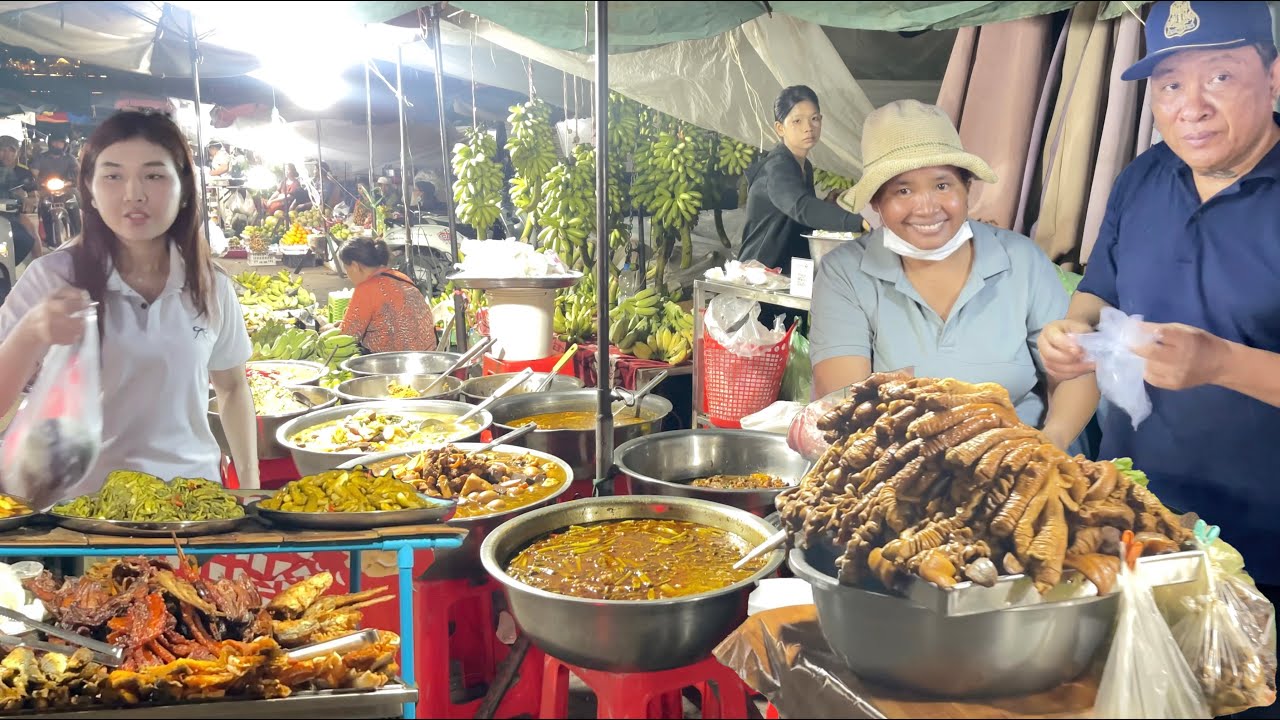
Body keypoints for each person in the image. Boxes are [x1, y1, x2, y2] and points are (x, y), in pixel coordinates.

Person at [1038, 1, 1280, 609]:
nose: (1191, 106)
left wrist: (1223, 363)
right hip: (1133, 524)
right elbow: (1101, 293)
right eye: (1170, 84)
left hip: (1266, 548)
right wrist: (1072, 330)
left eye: (1219, 76)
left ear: (1274, 76)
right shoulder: (1142, 178)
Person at [0, 110, 260, 497]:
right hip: (81, 510)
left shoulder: (210, 283)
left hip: (191, 504)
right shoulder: (52, 277)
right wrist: (31, 332)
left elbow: (233, 387)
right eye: (113, 176)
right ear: (89, 190)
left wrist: (250, 486)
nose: (133, 194)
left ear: (184, 189)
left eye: (154, 176)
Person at [812, 100, 1095, 447]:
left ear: (967, 187)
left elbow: (1074, 373)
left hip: (1021, 458)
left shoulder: (1021, 260)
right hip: (899, 463)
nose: (927, 207)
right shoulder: (844, 273)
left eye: (942, 185)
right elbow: (848, 405)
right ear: (876, 202)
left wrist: (1049, 444)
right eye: (903, 190)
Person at [740, 85, 865, 275]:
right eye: (797, 121)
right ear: (780, 128)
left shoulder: (803, 166)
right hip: (760, 274)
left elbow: (796, 216)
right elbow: (801, 207)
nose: (808, 128)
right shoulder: (777, 167)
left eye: (814, 119)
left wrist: (825, 204)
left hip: (787, 271)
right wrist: (861, 221)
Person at [337, 237, 437, 353]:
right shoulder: (401, 277)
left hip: (394, 362)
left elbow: (346, 338)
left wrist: (328, 330)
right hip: (428, 357)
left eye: (346, 269)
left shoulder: (366, 289)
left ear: (355, 266)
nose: (348, 276)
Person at [0, 135, 40, 264]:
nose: (6, 154)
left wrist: (26, 200)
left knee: (31, 233)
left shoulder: (24, 172)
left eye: (11, 150)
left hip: (14, 213)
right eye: (2, 150)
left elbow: (34, 197)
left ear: (18, 152)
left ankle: (38, 265)